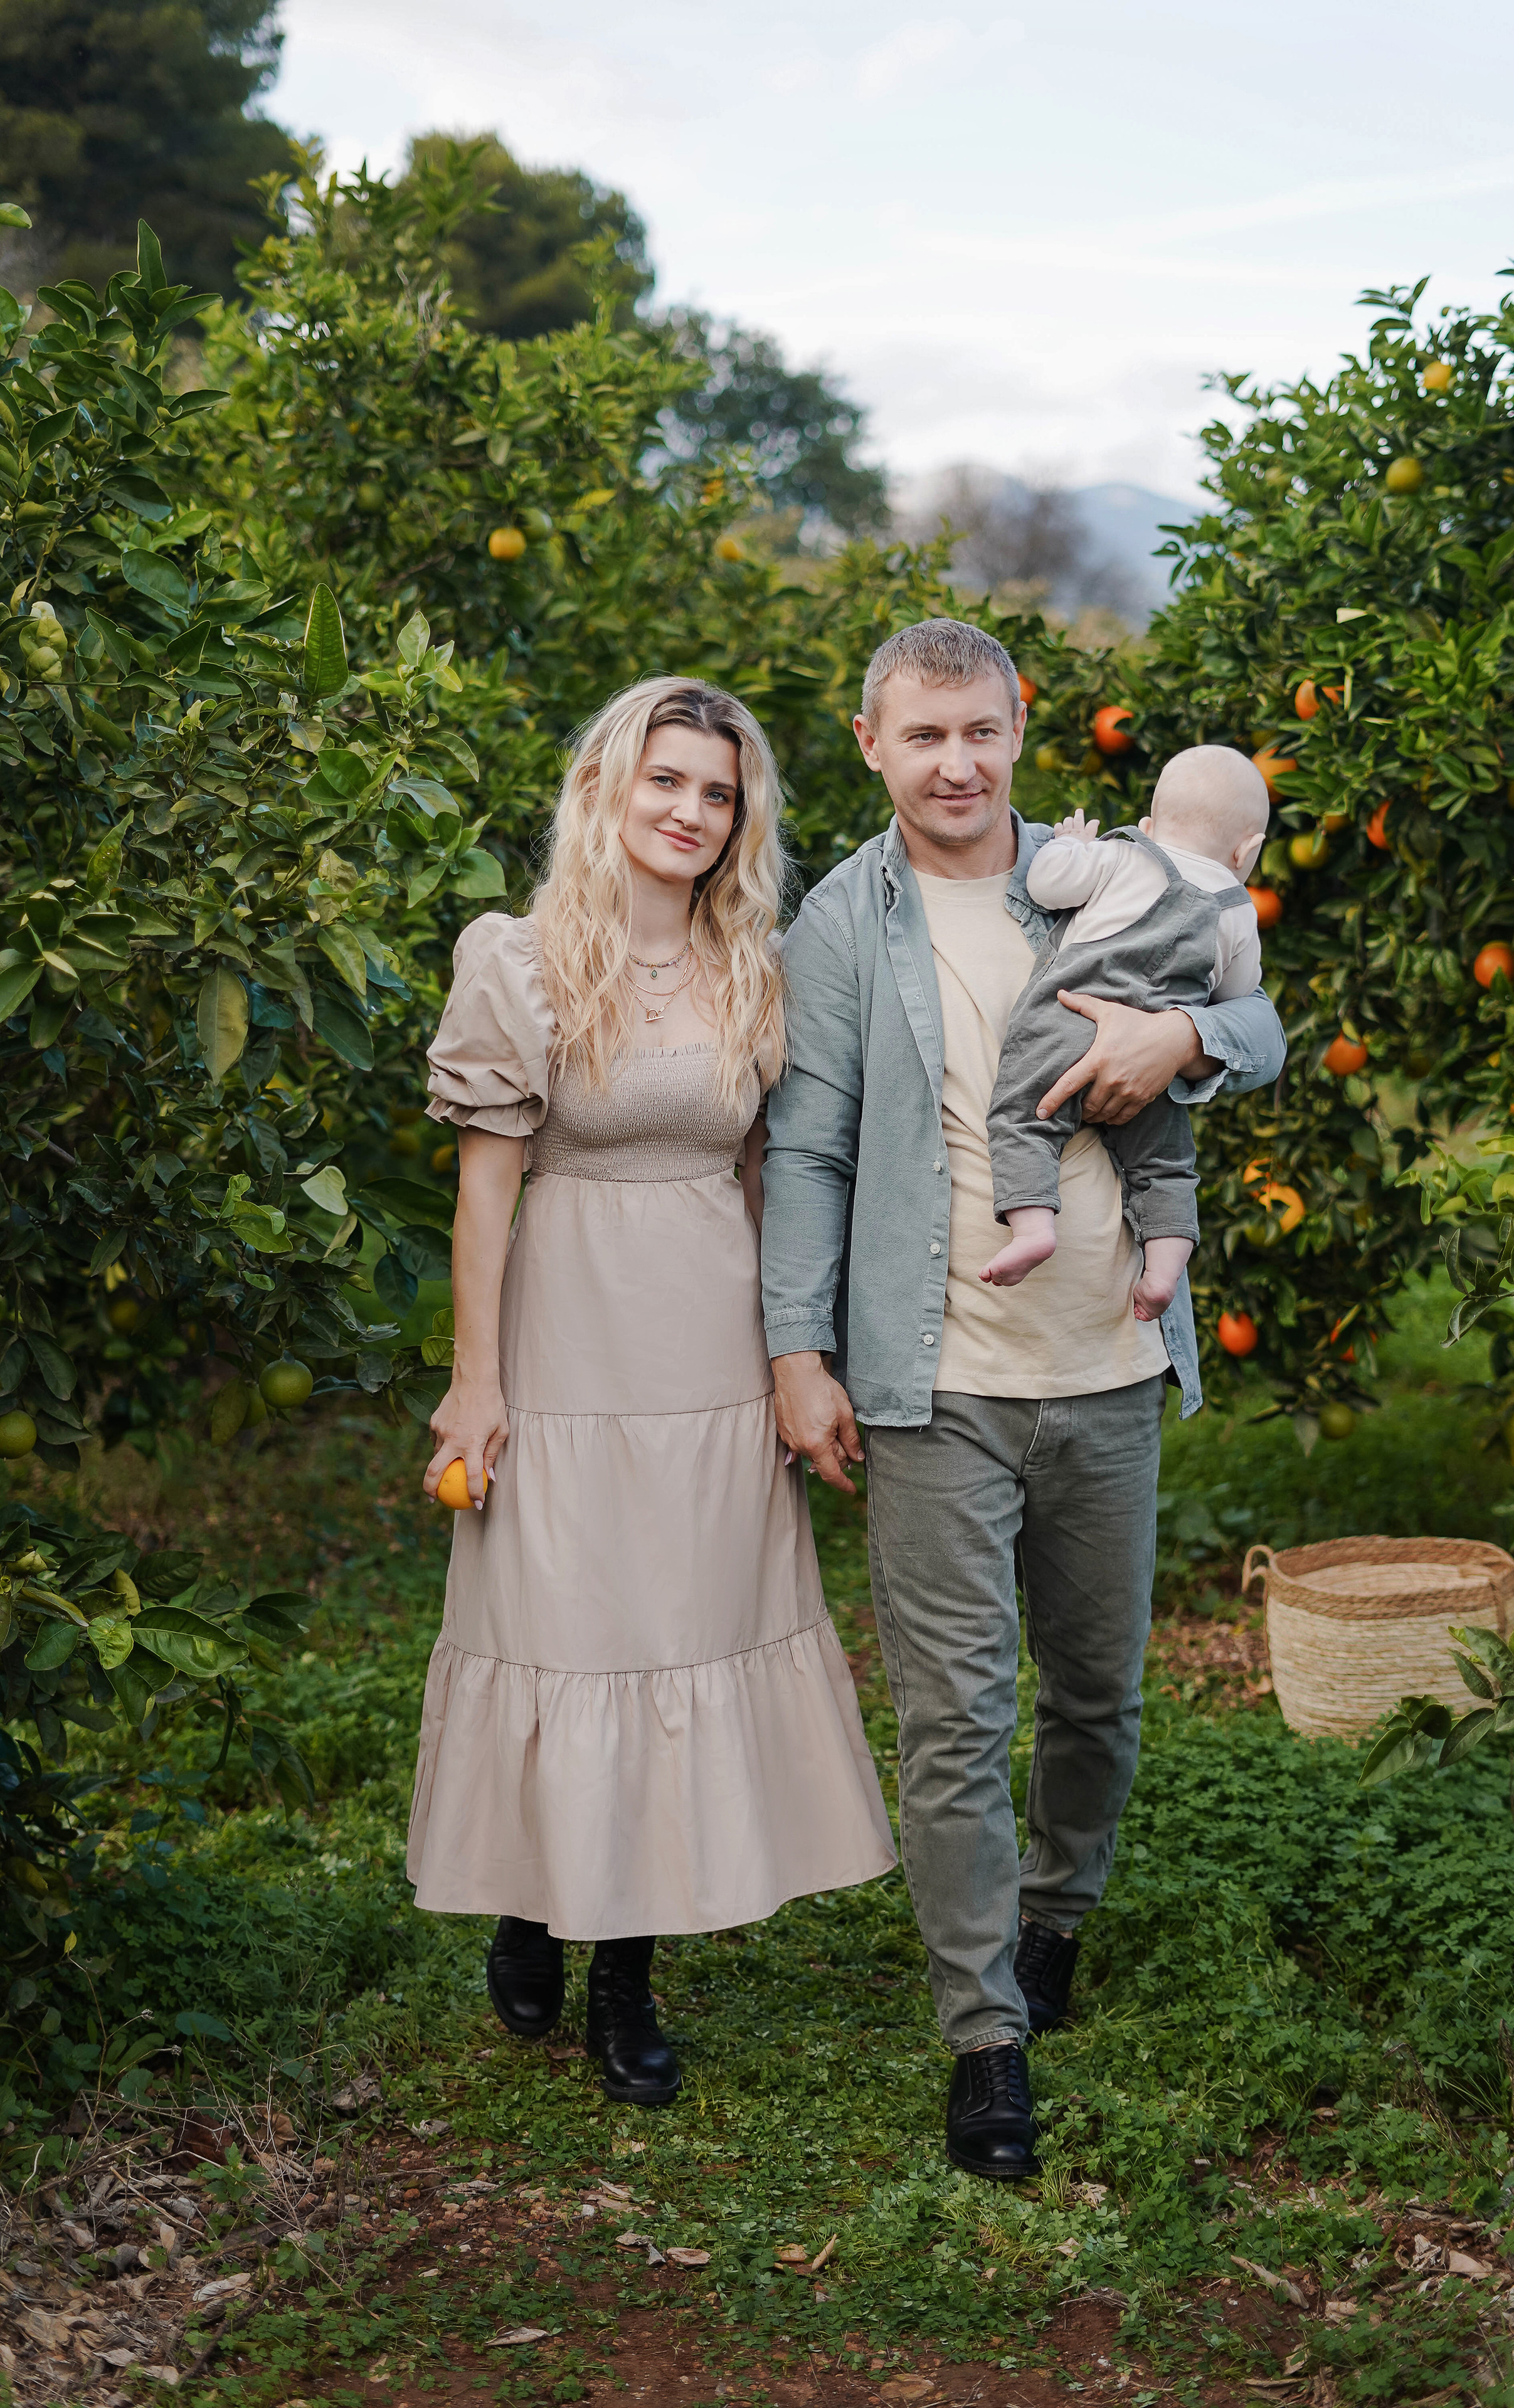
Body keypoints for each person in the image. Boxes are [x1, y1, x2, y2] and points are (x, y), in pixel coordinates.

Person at [760, 621, 1284, 2180]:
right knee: (952, 1716)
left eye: (978, 732)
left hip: (1109, 1364)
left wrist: (1182, 1033)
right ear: (871, 742)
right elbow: (809, 1148)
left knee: (1097, 1697)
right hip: (936, 1380)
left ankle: (1056, 1916)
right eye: (922, 736)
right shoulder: (839, 920)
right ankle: (983, 2035)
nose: (955, 765)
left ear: (1016, 727)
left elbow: (1255, 1019)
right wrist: (797, 1351)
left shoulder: (1098, 870)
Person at [409, 675, 895, 2110]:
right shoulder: (516, 958)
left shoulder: (754, 965)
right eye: (665, 778)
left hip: (708, 1345)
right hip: (565, 1339)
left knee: (677, 1632)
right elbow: (484, 1196)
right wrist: (475, 1383)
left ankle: (624, 1978)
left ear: (739, 820)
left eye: (716, 792)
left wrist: (793, 1359)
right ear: (607, 786)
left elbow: (765, 1179)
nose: (689, 810)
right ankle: (530, 1900)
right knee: (565, 1630)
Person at [980, 744, 1268, 1302]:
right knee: (1164, 1164)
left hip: (1067, 1022)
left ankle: (1034, 1229)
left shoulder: (1121, 856)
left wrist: (1071, 846)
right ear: (1248, 849)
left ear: (1149, 826)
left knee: (1024, 1120)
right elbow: (1239, 995)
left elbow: (1044, 886)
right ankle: (1162, 1271)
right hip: (1153, 1064)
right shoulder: (1238, 912)